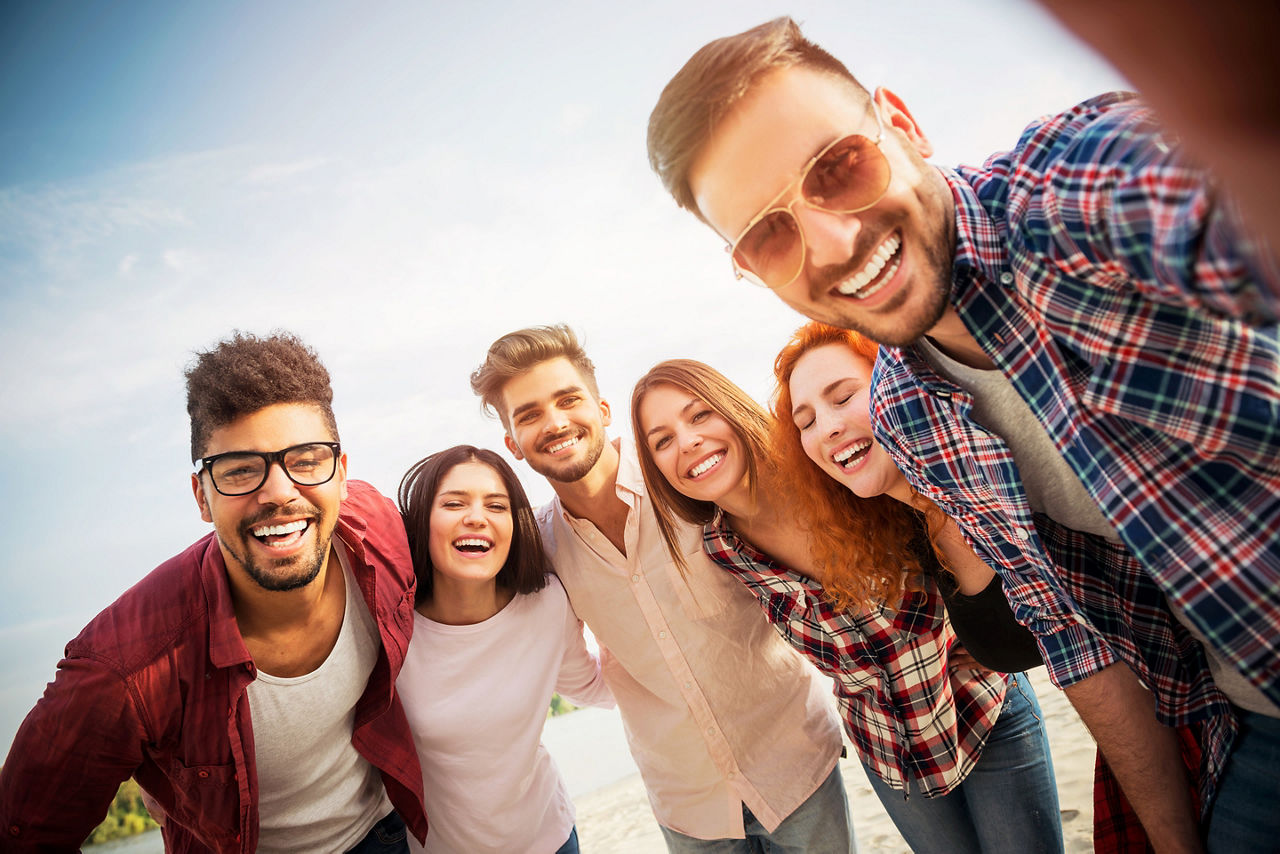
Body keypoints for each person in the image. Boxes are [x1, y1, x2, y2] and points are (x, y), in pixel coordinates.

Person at [647, 16, 1277, 852]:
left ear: (902, 125)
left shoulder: (1069, 196)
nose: (834, 241)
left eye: (839, 167)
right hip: (1243, 720)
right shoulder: (906, 414)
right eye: (770, 234)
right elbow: (1077, 644)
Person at [0, 331, 428, 851]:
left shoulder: (379, 532)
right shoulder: (125, 667)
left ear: (341, 472)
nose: (279, 493)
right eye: (240, 469)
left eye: (307, 459)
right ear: (202, 496)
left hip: (389, 832)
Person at [631, 357, 1063, 854]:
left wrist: (984, 631)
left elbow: (952, 520)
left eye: (699, 415)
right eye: (662, 440)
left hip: (982, 711)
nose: (687, 442)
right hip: (891, 758)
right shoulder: (724, 551)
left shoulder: (832, 472)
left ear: (732, 411)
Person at [470, 324, 853, 853]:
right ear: (513, 442)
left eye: (567, 400)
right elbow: (572, 673)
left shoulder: (690, 475)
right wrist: (646, 688)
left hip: (796, 764)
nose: (554, 423)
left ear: (602, 410)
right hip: (687, 804)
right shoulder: (539, 546)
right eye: (529, 414)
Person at [395, 445, 612, 854]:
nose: (476, 516)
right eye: (454, 503)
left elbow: (591, 686)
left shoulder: (547, 604)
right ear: (422, 520)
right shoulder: (392, 631)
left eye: (497, 506)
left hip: (550, 838)